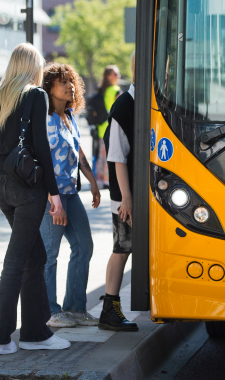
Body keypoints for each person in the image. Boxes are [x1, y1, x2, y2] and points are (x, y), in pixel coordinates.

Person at [0, 43, 71, 355]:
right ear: (33, 65)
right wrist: (53, 193)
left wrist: (8, 175)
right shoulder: (35, 95)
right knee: (17, 260)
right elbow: (41, 146)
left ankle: (36, 332)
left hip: (4, 189)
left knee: (35, 257)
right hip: (28, 190)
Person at [39, 63, 102, 328]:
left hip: (71, 193)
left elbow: (79, 152)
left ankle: (75, 308)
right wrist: (53, 200)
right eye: (63, 82)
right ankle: (50, 312)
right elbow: (41, 160)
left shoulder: (70, 117)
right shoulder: (44, 118)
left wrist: (93, 182)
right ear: (49, 87)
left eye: (71, 81)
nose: (70, 86)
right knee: (49, 255)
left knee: (84, 246)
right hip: (50, 196)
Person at [99, 56, 138, 332]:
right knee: (122, 248)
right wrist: (127, 198)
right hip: (125, 196)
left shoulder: (137, 103)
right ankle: (109, 311)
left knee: (126, 248)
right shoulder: (124, 105)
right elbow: (116, 157)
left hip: (132, 194)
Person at [91, 66, 121, 188]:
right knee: (110, 155)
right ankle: (108, 181)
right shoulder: (115, 90)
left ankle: (100, 179)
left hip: (101, 127)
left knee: (101, 156)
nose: (117, 76)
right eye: (115, 74)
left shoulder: (101, 90)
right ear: (109, 76)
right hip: (111, 127)